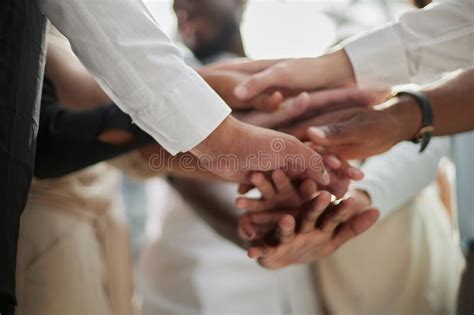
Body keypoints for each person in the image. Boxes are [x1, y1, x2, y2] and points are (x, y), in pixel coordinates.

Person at [1, 0, 331, 312]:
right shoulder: (167, 78)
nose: (178, 4)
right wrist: (213, 124)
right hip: (188, 282)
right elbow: (162, 156)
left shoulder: (207, 79)